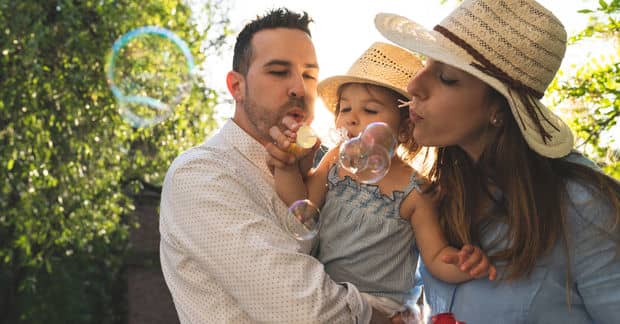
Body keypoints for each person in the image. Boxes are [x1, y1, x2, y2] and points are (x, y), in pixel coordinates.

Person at [373, 0, 620, 322]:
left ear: (500, 109)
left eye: (446, 77)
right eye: (426, 64)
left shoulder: (583, 206)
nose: (414, 85)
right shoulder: (441, 195)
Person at [159, 8, 378, 323]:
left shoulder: (327, 170)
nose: (299, 89)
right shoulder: (199, 174)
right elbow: (306, 310)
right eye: (278, 72)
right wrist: (387, 316)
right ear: (237, 86)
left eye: (309, 75)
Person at [267, 42, 496, 321]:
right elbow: (301, 206)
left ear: (404, 127)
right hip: (328, 292)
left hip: (381, 307)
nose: (351, 118)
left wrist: (464, 264)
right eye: (345, 108)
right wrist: (287, 167)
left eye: (371, 111)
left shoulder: (416, 190)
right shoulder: (337, 161)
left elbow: (435, 257)